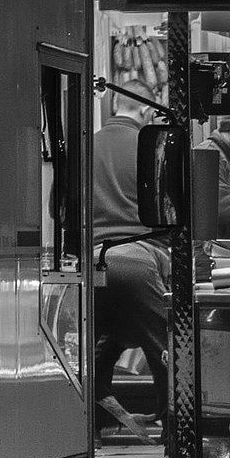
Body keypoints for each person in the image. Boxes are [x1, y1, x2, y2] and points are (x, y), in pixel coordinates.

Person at [90, 76, 171, 431]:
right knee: (166, 353)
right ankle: (173, 435)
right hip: (139, 262)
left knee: (96, 356)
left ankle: (96, 433)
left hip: (93, 265)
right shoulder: (151, 147)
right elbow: (172, 212)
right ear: (147, 109)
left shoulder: (84, 146)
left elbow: (58, 212)